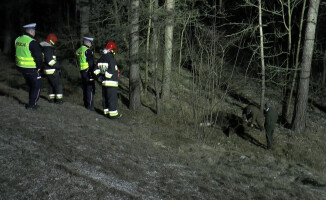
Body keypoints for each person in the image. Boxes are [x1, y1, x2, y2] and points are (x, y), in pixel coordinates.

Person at [15, 23, 44, 110]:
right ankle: (32, 105)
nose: (34, 32)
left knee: (31, 85)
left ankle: (31, 103)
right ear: (31, 31)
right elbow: (38, 57)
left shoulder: (18, 39)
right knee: (37, 86)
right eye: (34, 31)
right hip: (31, 68)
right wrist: (39, 67)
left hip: (21, 67)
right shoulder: (32, 42)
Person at [94, 41, 122, 119]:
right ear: (112, 50)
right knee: (112, 99)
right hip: (111, 83)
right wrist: (105, 76)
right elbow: (112, 70)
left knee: (105, 98)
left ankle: (106, 113)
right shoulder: (111, 59)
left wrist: (99, 77)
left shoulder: (100, 59)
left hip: (103, 83)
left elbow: (95, 70)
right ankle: (113, 115)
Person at [40, 34, 63, 104]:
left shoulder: (44, 48)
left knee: (51, 85)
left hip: (47, 70)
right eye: (54, 41)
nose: (55, 43)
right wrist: (58, 66)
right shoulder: (48, 48)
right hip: (52, 70)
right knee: (58, 85)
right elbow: (50, 61)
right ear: (51, 41)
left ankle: (51, 99)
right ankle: (59, 100)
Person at [76, 37, 95, 111]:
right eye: (90, 42)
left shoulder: (79, 49)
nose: (91, 44)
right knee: (90, 88)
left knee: (85, 88)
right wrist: (92, 72)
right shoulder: (87, 50)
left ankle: (86, 104)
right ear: (87, 42)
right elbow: (91, 63)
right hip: (88, 71)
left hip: (82, 70)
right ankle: (90, 106)